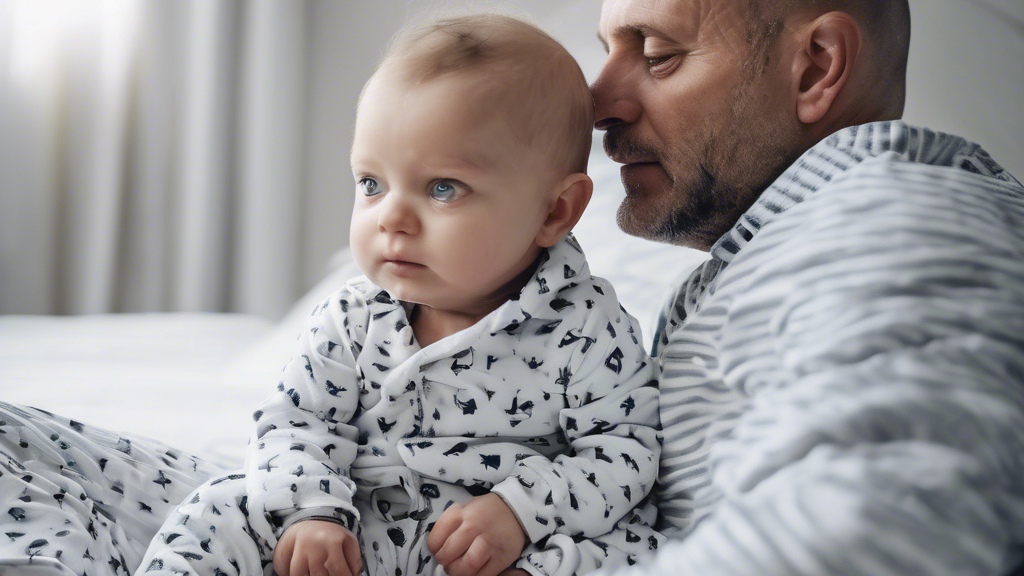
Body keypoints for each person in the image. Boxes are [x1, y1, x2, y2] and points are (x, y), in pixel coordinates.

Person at [135, 14, 663, 576]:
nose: (392, 218)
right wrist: (312, 512)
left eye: (443, 188)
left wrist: (521, 510)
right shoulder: (351, 318)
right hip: (354, 532)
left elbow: (625, 451)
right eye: (371, 184)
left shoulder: (585, 326)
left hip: (491, 548)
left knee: (632, 552)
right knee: (222, 507)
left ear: (554, 211)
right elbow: (296, 422)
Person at [586, 0, 1024, 575]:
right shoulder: (803, 247)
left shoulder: (889, 221)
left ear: (816, 69)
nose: (597, 104)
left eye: (659, 55)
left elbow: (886, 523)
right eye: (607, 54)